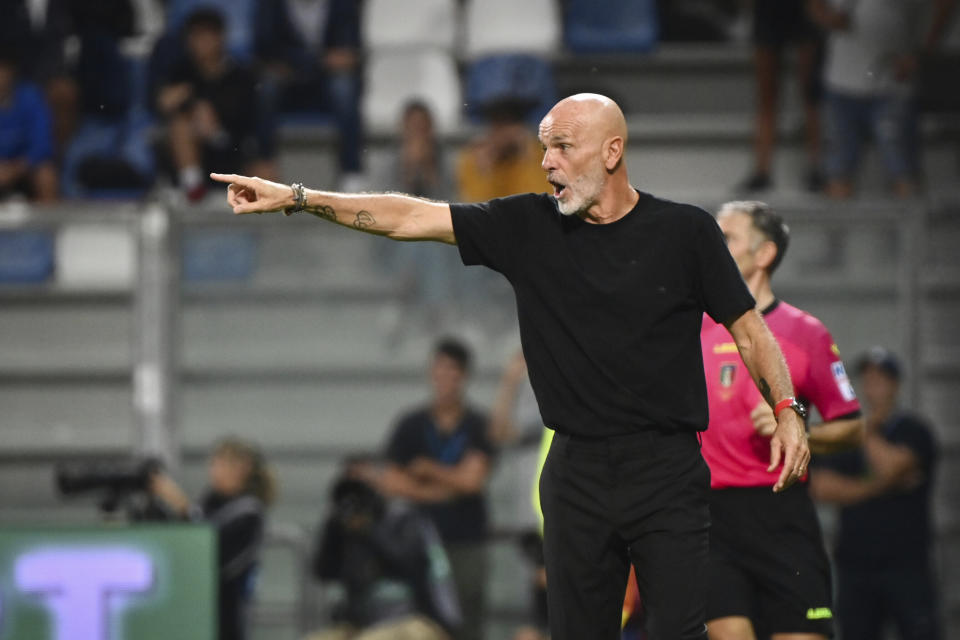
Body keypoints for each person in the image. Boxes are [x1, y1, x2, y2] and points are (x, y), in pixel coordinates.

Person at [209, 92, 811, 640]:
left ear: (612, 151)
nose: (547, 161)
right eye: (544, 146)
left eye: (562, 146)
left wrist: (786, 409)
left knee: (680, 636)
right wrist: (299, 197)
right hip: (575, 472)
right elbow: (408, 216)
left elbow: (749, 329)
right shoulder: (528, 225)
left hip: (667, 469)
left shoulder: (685, 232)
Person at [700, 201, 865, 640]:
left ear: (764, 254)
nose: (715, 246)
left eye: (728, 237)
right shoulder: (689, 327)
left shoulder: (806, 332)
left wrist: (798, 428)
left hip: (782, 514)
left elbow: (853, 426)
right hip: (712, 519)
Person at [364, 338, 493, 640]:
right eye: (439, 369)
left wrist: (427, 469)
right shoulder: (411, 424)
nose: (444, 377)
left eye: (452, 370)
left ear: (463, 375)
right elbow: (392, 481)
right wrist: (444, 489)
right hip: (416, 544)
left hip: (465, 541)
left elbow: (473, 481)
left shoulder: (477, 424)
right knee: (420, 625)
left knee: (467, 621)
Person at [810, 348, 941, 640]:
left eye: (880, 380)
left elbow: (892, 466)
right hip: (856, 567)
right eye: (868, 380)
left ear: (894, 385)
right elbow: (821, 486)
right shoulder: (844, 435)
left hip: (906, 565)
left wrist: (868, 431)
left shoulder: (914, 430)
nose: (873, 387)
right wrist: (880, 486)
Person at [807, 0, 958, 199]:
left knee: (904, 175)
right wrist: (824, 16)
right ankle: (839, 229)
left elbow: (946, 4)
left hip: (893, 83)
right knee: (838, 176)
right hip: (841, 82)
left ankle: (911, 227)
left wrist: (922, 52)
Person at [307, 462, 460, 640]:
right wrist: (333, 529)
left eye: (362, 487)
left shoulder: (406, 518)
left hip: (413, 618)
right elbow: (324, 571)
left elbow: (408, 565)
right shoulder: (342, 526)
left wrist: (369, 529)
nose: (356, 498)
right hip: (361, 622)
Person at [150, 436, 276, 640]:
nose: (213, 470)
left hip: (225, 617)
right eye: (213, 463)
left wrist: (183, 508)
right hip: (192, 614)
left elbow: (210, 554)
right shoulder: (208, 503)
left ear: (242, 467)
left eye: (220, 463)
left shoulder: (249, 512)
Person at [154, 8, 276, 202]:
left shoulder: (241, 76)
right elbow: (164, 103)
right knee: (180, 127)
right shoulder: (180, 71)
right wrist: (193, 109)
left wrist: (216, 128)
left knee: (266, 170)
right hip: (196, 150)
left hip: (232, 147)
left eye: (206, 37)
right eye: (195, 37)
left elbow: (248, 121)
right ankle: (192, 186)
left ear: (220, 38)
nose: (200, 44)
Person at [738, 0, 824, 193]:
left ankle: (816, 167)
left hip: (803, 9)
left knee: (811, 93)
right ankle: (762, 170)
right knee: (767, 96)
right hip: (769, 10)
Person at [0, 49, 57, 202]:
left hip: (22, 167)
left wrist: (14, 169)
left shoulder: (30, 96)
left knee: (46, 174)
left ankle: (48, 224)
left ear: (11, 71)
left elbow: (43, 145)